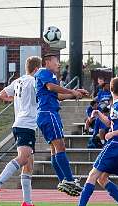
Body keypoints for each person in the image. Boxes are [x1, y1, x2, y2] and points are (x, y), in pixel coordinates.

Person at [68, 77, 118, 206]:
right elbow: (110, 123)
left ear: (111, 89)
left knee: (93, 175)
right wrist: (98, 114)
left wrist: (112, 134)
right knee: (102, 178)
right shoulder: (117, 103)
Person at [0, 56, 42, 206]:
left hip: (20, 123)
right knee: (24, 158)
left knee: (28, 164)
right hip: (26, 124)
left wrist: (17, 101)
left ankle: (27, 203)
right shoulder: (33, 81)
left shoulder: (17, 81)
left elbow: (1, 95)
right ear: (37, 69)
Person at [35, 53, 88, 197]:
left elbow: (57, 95)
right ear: (47, 62)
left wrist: (74, 93)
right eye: (56, 61)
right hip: (48, 113)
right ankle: (69, 180)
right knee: (60, 147)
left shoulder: (48, 75)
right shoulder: (44, 73)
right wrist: (72, 91)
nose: (58, 64)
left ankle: (64, 181)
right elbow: (52, 88)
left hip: (48, 114)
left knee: (54, 149)